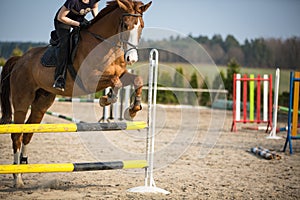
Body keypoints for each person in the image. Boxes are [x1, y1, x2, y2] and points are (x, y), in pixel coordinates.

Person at [53, 0, 100, 91]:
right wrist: (78, 24)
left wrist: (96, 20)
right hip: (63, 20)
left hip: (78, 18)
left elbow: (94, 7)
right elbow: (60, 17)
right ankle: (59, 78)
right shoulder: (73, 1)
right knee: (65, 45)